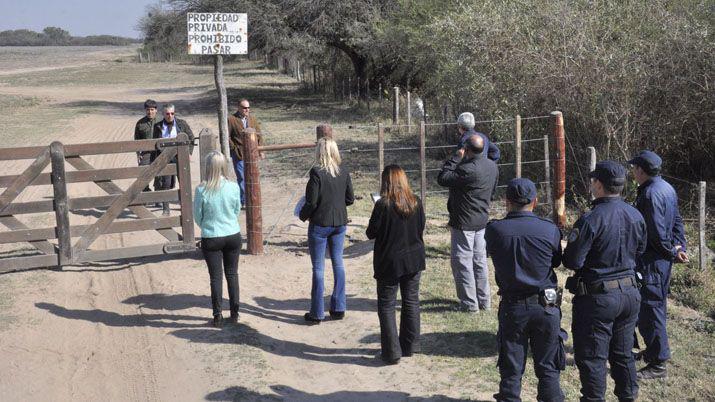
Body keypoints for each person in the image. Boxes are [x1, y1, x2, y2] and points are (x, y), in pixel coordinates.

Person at [563, 161, 647, 401]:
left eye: (593, 181)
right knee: (622, 354)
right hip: (630, 294)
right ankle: (628, 396)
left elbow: (573, 261)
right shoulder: (635, 214)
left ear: (598, 184)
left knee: (592, 357)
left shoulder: (591, 219)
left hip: (598, 298)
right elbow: (640, 249)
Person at [485, 178, 565, 402]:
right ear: (535, 201)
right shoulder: (549, 229)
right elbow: (556, 261)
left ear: (506, 201)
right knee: (548, 365)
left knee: (511, 366)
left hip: (513, 305)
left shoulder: (494, 230)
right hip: (546, 304)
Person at [629, 150, 688, 379]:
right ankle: (653, 350)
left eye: (634, 168)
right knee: (656, 306)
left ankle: (658, 364)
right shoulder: (666, 187)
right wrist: (680, 247)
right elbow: (677, 220)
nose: (633, 171)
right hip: (661, 260)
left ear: (641, 170)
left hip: (652, 261)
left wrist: (672, 252)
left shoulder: (651, 194)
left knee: (650, 309)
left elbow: (656, 234)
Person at [366, 165, 426, 365]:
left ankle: (391, 352)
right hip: (413, 259)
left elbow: (371, 232)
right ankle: (410, 345)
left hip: (390, 261)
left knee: (387, 304)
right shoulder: (416, 201)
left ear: (386, 182)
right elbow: (421, 227)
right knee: (411, 300)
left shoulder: (383, 205)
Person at [437, 134, 498, 312]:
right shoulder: (492, 166)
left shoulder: (467, 169)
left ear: (467, 149)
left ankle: (470, 305)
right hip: (481, 219)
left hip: (464, 222)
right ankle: (484, 301)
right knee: (480, 262)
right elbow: (493, 192)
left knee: (462, 263)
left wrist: (456, 157)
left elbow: (443, 178)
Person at [299, 137, 354, 324]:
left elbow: (311, 202)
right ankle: (339, 308)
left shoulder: (316, 173)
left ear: (320, 152)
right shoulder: (344, 171)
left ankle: (317, 312)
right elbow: (350, 199)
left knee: (318, 267)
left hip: (320, 225)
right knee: (338, 264)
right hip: (339, 223)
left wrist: (302, 215)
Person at [193, 151, 242, 328]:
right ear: (223, 167)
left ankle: (217, 315)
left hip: (212, 235)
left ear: (208, 168)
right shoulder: (233, 187)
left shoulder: (201, 189)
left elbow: (198, 216)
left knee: (215, 277)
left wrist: (208, 224)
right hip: (232, 233)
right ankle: (235, 313)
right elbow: (237, 210)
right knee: (232, 274)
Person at [152, 103, 194, 216]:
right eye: (167, 113)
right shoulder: (157, 126)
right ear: (163, 114)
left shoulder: (182, 124)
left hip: (180, 157)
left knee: (184, 182)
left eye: (172, 113)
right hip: (165, 158)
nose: (170, 115)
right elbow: (154, 143)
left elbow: (191, 138)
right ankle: (166, 209)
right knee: (166, 183)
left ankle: (185, 206)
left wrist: (189, 152)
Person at [228, 98, 264, 206]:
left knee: (252, 176)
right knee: (242, 177)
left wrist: (261, 150)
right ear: (238, 108)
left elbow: (259, 135)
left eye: (248, 108)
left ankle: (248, 199)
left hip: (252, 154)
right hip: (239, 154)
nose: (247, 110)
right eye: (244, 108)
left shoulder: (252, 119)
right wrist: (234, 148)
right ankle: (246, 202)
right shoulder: (231, 119)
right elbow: (227, 136)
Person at [134, 99, 159, 192]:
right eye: (148, 109)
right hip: (146, 152)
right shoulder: (140, 123)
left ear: (156, 110)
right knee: (142, 172)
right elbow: (136, 140)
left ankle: (158, 195)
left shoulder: (162, 120)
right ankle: (146, 193)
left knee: (160, 173)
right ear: (145, 110)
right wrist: (138, 154)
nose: (150, 112)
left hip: (160, 151)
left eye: (152, 109)